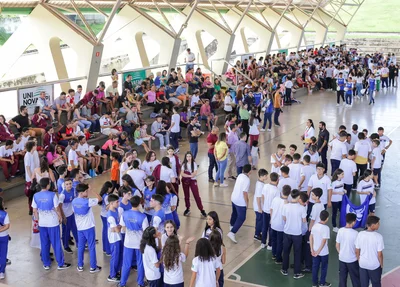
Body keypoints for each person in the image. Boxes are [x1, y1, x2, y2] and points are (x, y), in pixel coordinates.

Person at [32, 178, 71, 270]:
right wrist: (60, 217)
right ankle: (60, 263)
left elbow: (34, 211)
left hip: (42, 223)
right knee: (56, 243)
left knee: (44, 243)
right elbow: (57, 208)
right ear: (48, 185)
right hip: (52, 223)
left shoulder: (36, 195)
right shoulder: (52, 195)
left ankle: (46, 263)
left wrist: (38, 220)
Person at [119, 196, 149, 287]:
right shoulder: (143, 216)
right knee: (140, 263)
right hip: (139, 243)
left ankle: (122, 283)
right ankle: (140, 282)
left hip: (128, 242)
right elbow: (146, 232)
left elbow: (123, 228)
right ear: (139, 204)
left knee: (126, 263)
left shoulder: (124, 214)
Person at [72, 183, 102, 273]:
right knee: (91, 246)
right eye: (86, 191)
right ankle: (93, 267)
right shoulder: (88, 201)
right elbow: (99, 199)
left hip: (80, 228)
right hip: (89, 227)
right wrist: (92, 190)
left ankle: (80, 265)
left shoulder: (74, 201)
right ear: (82, 192)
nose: (87, 192)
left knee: (80, 246)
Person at [281, 189, 306, 279]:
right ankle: (297, 272)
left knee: (286, 251)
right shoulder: (302, 208)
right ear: (299, 197)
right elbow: (304, 221)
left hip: (287, 232)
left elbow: (284, 218)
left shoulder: (286, 206)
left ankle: (284, 269)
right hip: (297, 233)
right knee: (297, 253)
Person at [355, 215, 384, 287]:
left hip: (363, 264)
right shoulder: (378, 237)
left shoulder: (360, 234)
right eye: (378, 224)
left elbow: (357, 250)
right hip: (374, 265)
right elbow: (379, 254)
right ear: (373, 225)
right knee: (376, 283)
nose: (379, 225)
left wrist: (359, 260)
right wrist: (381, 264)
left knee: (364, 284)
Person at [227, 164, 251, 243]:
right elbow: (245, 193)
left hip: (234, 197)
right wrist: (247, 203)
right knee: (242, 217)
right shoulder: (247, 180)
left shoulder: (240, 175)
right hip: (240, 201)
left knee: (234, 213)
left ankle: (231, 225)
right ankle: (232, 232)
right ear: (249, 171)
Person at [336, 213, 361, 287]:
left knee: (342, 280)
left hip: (342, 259)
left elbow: (337, 245)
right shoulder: (356, 233)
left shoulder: (340, 231)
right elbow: (357, 250)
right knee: (355, 279)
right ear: (353, 222)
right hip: (352, 260)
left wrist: (341, 253)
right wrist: (358, 259)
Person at [181, 151, 206, 217]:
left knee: (196, 195)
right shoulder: (184, 164)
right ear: (185, 157)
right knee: (186, 195)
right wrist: (189, 176)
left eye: (190, 156)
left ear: (192, 157)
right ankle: (187, 208)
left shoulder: (194, 164)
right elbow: (182, 173)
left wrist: (189, 175)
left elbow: (195, 173)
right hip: (185, 181)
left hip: (192, 181)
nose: (188, 158)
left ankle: (201, 209)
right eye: (187, 156)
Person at [310, 210, 331, 287]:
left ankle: (314, 283)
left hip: (314, 251)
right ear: (327, 218)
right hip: (323, 252)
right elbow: (324, 241)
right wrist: (319, 251)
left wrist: (312, 249)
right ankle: (322, 283)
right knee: (324, 267)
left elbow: (311, 237)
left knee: (315, 267)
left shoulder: (315, 226)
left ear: (319, 217)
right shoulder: (326, 228)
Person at [270, 184, 290, 264]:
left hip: (273, 223)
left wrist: (272, 219)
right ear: (289, 194)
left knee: (274, 240)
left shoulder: (275, 199)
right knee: (280, 242)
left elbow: (271, 210)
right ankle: (278, 258)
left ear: (281, 192)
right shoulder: (287, 204)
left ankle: (274, 254)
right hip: (281, 226)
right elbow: (286, 216)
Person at [261, 172, 279, 249]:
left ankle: (263, 242)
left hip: (265, 210)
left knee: (264, 227)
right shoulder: (277, 190)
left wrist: (263, 205)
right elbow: (276, 203)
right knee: (271, 227)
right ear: (278, 180)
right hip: (273, 212)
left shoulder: (265, 186)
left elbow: (262, 196)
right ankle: (270, 244)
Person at [328, 169, 345, 233]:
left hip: (340, 199)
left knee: (342, 211)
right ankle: (334, 226)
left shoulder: (342, 181)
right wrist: (339, 193)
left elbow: (341, 188)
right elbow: (331, 192)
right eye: (342, 174)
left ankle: (341, 223)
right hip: (334, 200)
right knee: (334, 213)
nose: (343, 175)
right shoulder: (333, 183)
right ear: (338, 175)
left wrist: (343, 190)